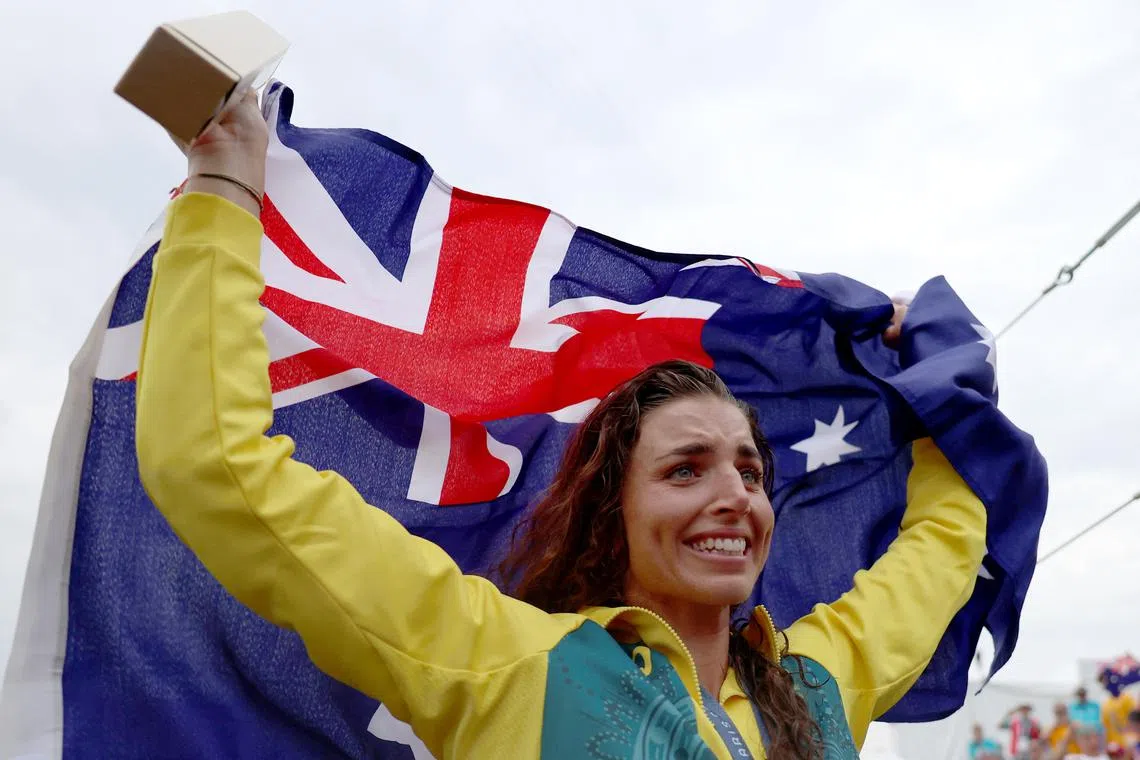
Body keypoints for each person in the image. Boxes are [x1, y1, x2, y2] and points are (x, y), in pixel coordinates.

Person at [134, 90, 989, 759]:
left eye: (750, 472)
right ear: (609, 509)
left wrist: (938, 383)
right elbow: (219, 468)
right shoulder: (511, 665)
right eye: (685, 469)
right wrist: (222, 187)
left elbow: (945, 543)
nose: (735, 495)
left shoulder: (820, 683)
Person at [1100, 670, 1137, 747]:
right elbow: (1105, 727)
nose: (1104, 685)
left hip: (1129, 744)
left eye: (1105, 681)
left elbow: (1135, 723)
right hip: (1114, 746)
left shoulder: (1127, 699)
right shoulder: (1106, 704)